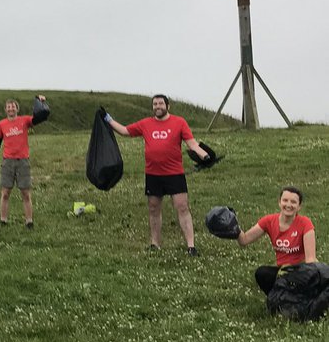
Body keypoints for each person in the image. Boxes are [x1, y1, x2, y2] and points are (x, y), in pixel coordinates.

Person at [105, 94, 211, 255]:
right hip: (153, 174)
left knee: (182, 208)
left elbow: (192, 143)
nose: (157, 106)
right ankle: (155, 244)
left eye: (161, 103)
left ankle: (191, 246)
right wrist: (108, 119)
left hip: (175, 174)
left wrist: (204, 155)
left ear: (168, 106)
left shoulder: (179, 122)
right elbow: (125, 131)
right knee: (154, 209)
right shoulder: (145, 124)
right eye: (155, 104)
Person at [236, 185, 316, 293]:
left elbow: (310, 260)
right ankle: (278, 300)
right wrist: (232, 227)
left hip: (301, 270)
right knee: (262, 273)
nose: (288, 205)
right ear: (279, 202)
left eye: (293, 202)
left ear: (299, 206)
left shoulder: (305, 223)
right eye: (285, 200)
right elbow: (244, 240)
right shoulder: (269, 221)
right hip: (282, 271)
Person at [0, 96, 47, 227]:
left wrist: (41, 102)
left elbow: (40, 118)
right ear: (5, 110)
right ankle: (3, 220)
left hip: (23, 162)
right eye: (8, 107)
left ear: (17, 109)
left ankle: (29, 222)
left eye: (13, 107)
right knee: (5, 193)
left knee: (26, 193)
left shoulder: (25, 120)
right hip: (8, 162)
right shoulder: (1, 124)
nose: (11, 109)